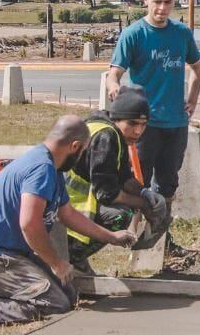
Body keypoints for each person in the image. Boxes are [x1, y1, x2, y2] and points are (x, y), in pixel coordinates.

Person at [0, 116, 135, 328]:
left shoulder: (53, 169)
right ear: (74, 146)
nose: (82, 157)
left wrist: (112, 237)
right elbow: (29, 224)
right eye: (83, 152)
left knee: (69, 292)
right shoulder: (41, 169)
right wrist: (56, 264)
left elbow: (68, 214)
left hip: (9, 254)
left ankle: (0, 290)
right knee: (53, 302)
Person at [107, 0, 200, 205]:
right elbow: (114, 74)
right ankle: (136, 234)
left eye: (168, 2)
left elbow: (197, 69)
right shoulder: (133, 34)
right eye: (157, 1)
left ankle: (162, 237)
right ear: (146, 0)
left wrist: (192, 99)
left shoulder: (182, 33)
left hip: (176, 122)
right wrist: (116, 92)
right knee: (137, 183)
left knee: (168, 184)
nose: (162, 8)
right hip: (143, 125)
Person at [65, 86, 171, 274]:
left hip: (68, 206)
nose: (138, 131)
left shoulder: (106, 127)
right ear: (118, 118)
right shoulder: (106, 137)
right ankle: (73, 257)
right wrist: (144, 205)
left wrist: (145, 193)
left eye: (144, 124)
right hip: (69, 211)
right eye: (132, 123)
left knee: (130, 205)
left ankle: (76, 259)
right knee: (122, 216)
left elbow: (123, 178)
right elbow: (107, 193)